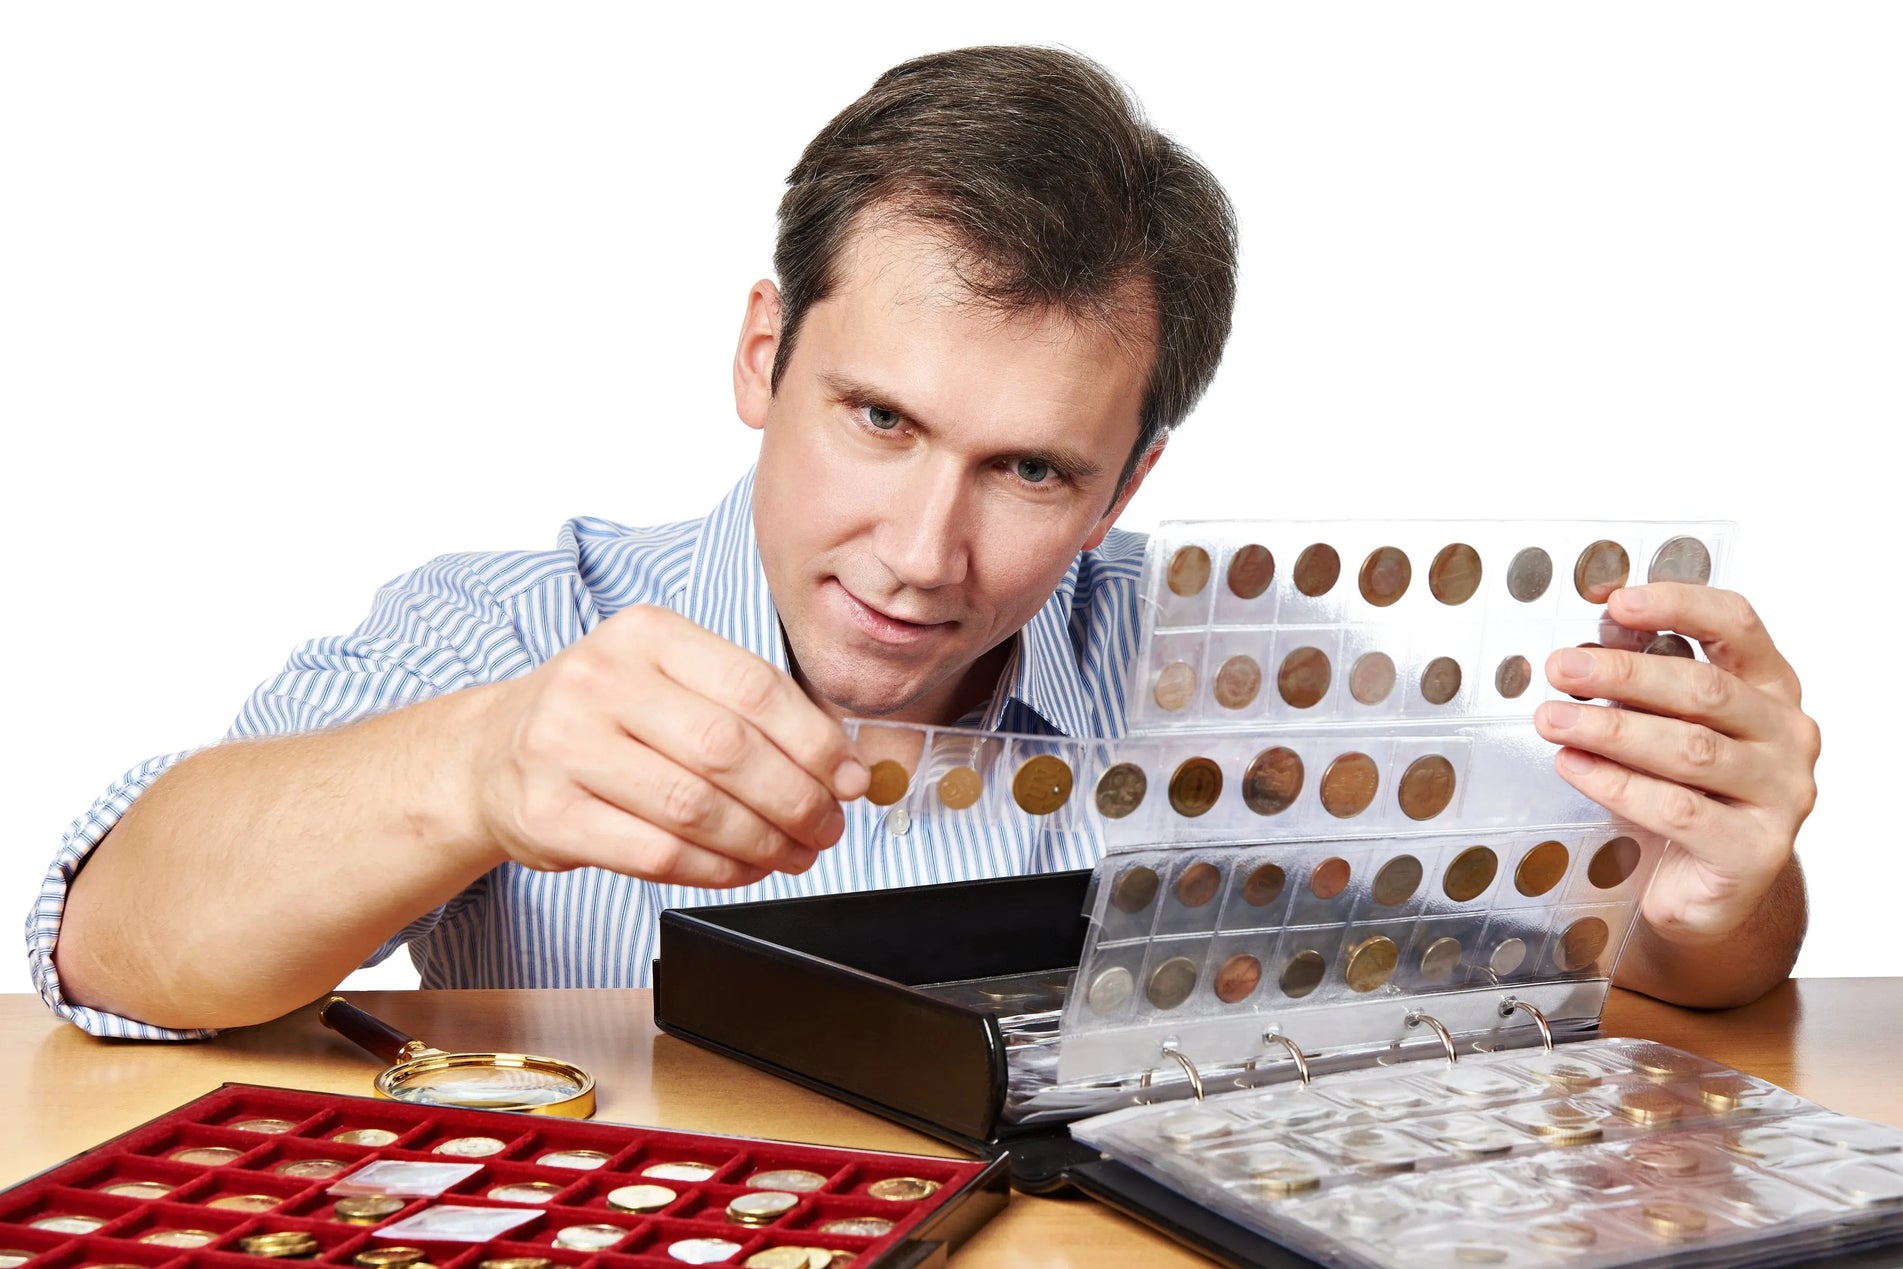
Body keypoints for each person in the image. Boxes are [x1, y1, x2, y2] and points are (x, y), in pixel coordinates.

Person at [30, 46, 1817, 1040]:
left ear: (1125, 484)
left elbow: (1634, 958)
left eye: (1031, 470)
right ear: (762, 354)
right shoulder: (517, 629)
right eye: (877, 419)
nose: (922, 548)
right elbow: (109, 939)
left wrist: (1718, 887)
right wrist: (475, 771)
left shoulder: (1254, 682)